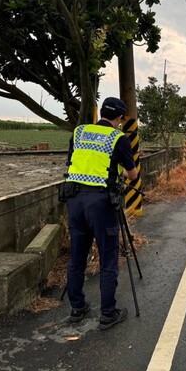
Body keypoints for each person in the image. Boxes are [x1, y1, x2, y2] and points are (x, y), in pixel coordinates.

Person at [65, 97, 137, 330]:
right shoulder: (118, 138)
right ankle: (108, 314)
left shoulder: (79, 132)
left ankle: (77, 308)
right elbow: (132, 174)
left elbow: (71, 163)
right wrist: (119, 176)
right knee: (108, 260)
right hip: (101, 203)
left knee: (77, 258)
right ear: (119, 118)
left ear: (102, 113)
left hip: (74, 200)